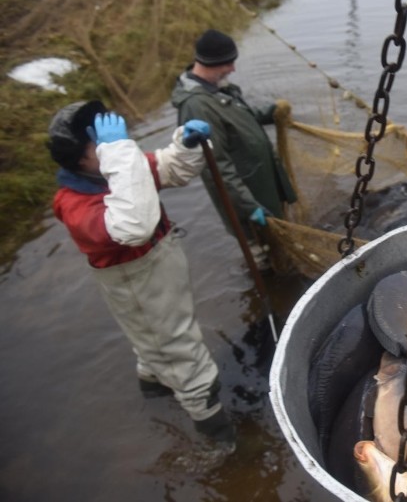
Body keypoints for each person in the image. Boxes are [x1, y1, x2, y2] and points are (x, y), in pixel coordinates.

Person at [48, 100, 236, 450]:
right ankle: (218, 436)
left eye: (110, 140)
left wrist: (185, 145)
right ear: (78, 160)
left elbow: (166, 169)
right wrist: (118, 150)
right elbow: (133, 225)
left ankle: (153, 387)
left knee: (153, 342)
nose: (109, 149)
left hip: (158, 272)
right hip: (136, 283)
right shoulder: (75, 204)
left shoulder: (114, 170)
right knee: (179, 349)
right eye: (99, 145)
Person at [170, 29, 297, 269]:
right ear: (212, 64)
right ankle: (268, 291)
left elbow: (240, 120)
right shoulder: (197, 106)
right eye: (229, 63)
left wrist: (269, 113)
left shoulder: (219, 89)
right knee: (263, 256)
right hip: (248, 199)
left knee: (279, 248)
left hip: (263, 187)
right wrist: (249, 207)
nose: (233, 69)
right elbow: (216, 166)